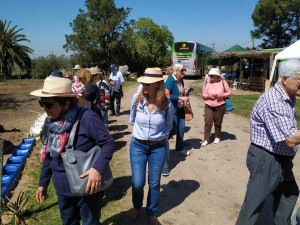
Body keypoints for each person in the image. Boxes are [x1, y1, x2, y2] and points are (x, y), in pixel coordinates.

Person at [31, 75, 115, 225]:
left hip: (87, 187)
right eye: (41, 103)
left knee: (90, 222)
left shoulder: (87, 118)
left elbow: (108, 143)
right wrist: (43, 183)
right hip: (62, 188)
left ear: (66, 103)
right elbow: (50, 153)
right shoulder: (50, 122)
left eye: (49, 104)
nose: (44, 109)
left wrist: (97, 169)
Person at [236, 59, 300, 225]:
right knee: (253, 205)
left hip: (280, 159)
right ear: (285, 79)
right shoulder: (275, 101)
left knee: (289, 193)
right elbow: (291, 140)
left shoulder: (288, 96)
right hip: (267, 159)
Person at [129, 67, 173, 225]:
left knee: (154, 183)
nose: (144, 86)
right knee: (138, 182)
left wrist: (156, 137)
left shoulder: (166, 104)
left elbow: (168, 126)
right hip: (137, 146)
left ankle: (151, 212)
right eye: (143, 83)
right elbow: (132, 120)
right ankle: (136, 206)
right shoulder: (137, 99)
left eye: (148, 84)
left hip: (158, 148)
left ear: (157, 84)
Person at [165, 63, 191, 156]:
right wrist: (180, 98)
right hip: (173, 109)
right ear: (176, 71)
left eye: (184, 70)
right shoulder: (170, 80)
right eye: (182, 70)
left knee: (181, 129)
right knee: (173, 129)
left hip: (181, 108)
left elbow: (180, 92)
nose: (184, 72)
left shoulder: (181, 80)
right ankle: (161, 145)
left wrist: (185, 93)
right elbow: (166, 95)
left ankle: (180, 148)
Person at [202, 68, 231, 147]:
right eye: (210, 75)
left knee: (218, 122)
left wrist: (222, 95)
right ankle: (206, 139)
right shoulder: (209, 83)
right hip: (208, 105)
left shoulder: (223, 82)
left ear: (217, 76)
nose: (210, 77)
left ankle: (217, 137)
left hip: (220, 105)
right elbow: (204, 94)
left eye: (212, 75)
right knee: (208, 122)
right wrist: (208, 96)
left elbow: (229, 92)